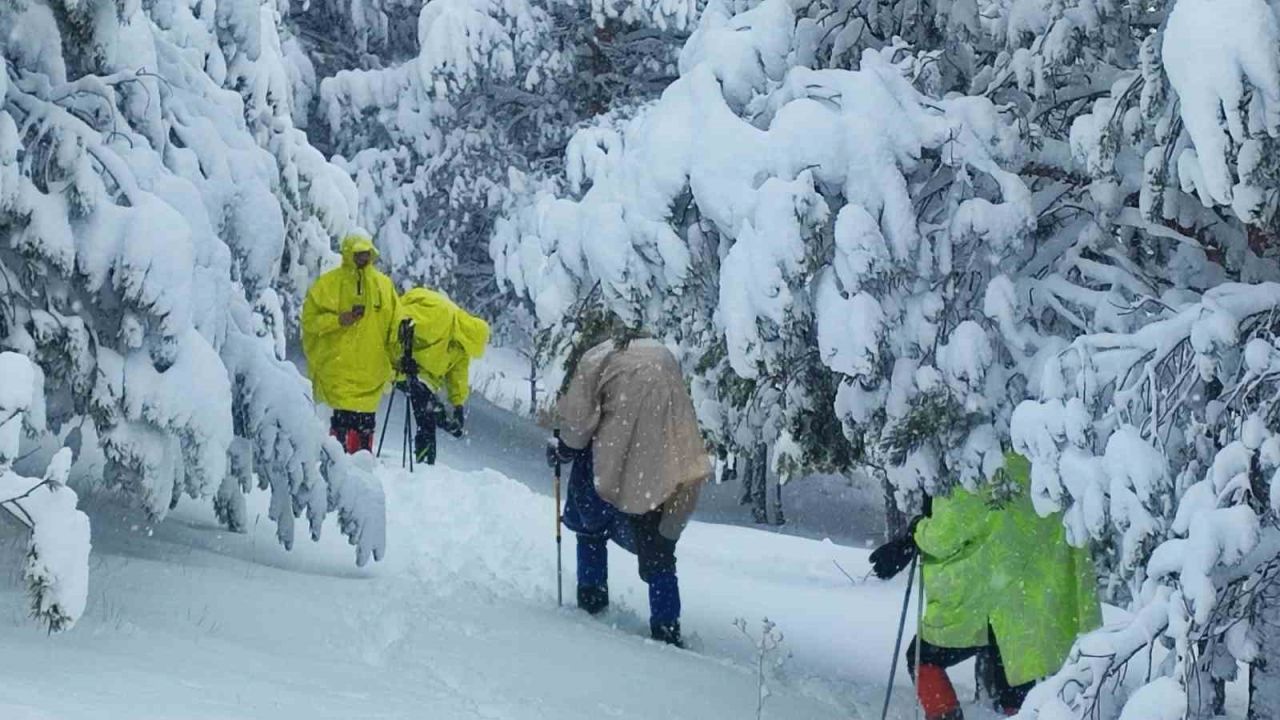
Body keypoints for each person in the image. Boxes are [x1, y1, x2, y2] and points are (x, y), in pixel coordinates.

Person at [870, 452, 1100, 719]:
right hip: (1039, 600)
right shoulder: (1042, 453)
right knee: (1017, 680)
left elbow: (946, 533)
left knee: (923, 659)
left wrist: (916, 532)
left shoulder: (975, 457)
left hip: (985, 600)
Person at [547, 314, 710, 647]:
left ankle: (592, 601)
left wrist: (562, 449)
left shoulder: (598, 358)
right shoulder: (665, 357)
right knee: (659, 549)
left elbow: (578, 423)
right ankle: (666, 627)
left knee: (588, 528)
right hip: (660, 471)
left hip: (606, 463)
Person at [301, 231, 400, 454]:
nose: (363, 259)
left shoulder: (384, 288)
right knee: (342, 429)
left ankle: (360, 468)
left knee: (364, 430)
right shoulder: (329, 285)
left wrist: (398, 358)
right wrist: (338, 320)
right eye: (358, 254)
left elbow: (395, 327)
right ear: (347, 253)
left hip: (370, 374)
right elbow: (309, 321)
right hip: (339, 374)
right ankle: (340, 466)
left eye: (366, 253)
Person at [388, 288, 490, 464]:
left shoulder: (462, 348)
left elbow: (458, 377)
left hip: (423, 374)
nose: (465, 351)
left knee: (430, 409)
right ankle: (425, 458)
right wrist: (402, 356)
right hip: (399, 362)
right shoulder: (440, 317)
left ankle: (427, 456)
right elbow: (400, 325)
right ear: (467, 336)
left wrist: (458, 405)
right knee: (426, 407)